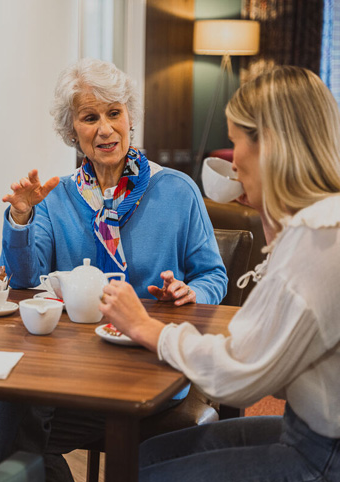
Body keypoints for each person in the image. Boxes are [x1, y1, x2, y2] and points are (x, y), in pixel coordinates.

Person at [0, 58, 228, 481]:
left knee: (20, 423)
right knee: (17, 406)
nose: (106, 128)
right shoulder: (57, 197)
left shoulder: (177, 191)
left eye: (114, 113)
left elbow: (213, 276)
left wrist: (190, 293)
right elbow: (21, 282)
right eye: (90, 117)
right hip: (73, 369)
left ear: (130, 117)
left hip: (151, 363)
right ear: (73, 131)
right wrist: (21, 218)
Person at [100, 65, 340, 481]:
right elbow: (272, 340)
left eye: (234, 143)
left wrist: (146, 328)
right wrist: (270, 210)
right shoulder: (318, 223)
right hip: (309, 429)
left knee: (141, 474)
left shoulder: (318, 240)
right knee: (147, 455)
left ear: (270, 145)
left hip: (323, 452)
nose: (232, 161)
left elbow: (240, 375)